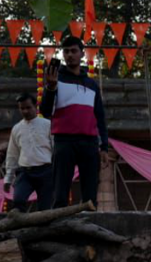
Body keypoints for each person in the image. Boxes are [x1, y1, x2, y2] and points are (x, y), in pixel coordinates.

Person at [41, 34, 110, 208]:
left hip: (89, 142)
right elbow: (45, 111)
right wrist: (50, 88)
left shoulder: (92, 84)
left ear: (82, 54)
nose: (70, 55)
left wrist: (104, 147)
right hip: (64, 141)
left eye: (73, 51)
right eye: (66, 51)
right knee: (60, 190)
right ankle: (58, 228)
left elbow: (100, 117)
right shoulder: (56, 80)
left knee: (90, 192)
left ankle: (89, 227)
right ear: (62, 55)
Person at [3, 92, 54, 212]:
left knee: (45, 208)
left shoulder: (48, 125)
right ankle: (21, 229)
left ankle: (44, 230)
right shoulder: (16, 128)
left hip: (46, 171)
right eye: (22, 108)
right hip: (25, 172)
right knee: (18, 200)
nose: (25, 111)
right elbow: (12, 155)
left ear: (35, 106)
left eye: (28, 107)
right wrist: (8, 179)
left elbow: (55, 149)